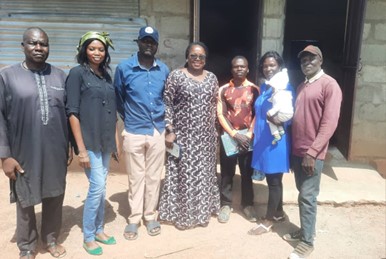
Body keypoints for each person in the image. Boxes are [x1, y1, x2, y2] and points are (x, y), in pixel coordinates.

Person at [0, 27, 68, 259]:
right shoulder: (7, 76)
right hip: (22, 149)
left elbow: (68, 115)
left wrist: (69, 147)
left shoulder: (60, 76)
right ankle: (27, 247)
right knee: (25, 198)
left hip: (55, 149)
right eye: (33, 43)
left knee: (55, 194)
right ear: (23, 46)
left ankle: (50, 239)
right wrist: (4, 155)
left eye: (44, 44)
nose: (39, 48)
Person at [284, 45, 342, 259]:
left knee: (308, 196)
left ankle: (307, 242)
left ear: (320, 60)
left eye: (311, 59)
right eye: (303, 60)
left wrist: (313, 152)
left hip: (312, 154)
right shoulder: (302, 86)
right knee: (302, 193)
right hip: (298, 151)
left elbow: (330, 123)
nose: (306, 63)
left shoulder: (329, 85)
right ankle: (306, 230)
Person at [114, 26, 169, 240]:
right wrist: (129, 119)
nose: (148, 45)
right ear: (138, 43)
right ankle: (134, 219)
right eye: (144, 41)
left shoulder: (163, 70)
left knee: (154, 176)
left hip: (157, 130)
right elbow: (118, 97)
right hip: (134, 129)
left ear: (156, 45)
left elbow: (166, 99)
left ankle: (150, 215)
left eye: (152, 42)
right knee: (136, 177)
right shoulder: (124, 68)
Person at [158, 42, 220, 229]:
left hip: (207, 137)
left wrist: (216, 132)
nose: (197, 59)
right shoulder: (176, 76)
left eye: (201, 56)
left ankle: (201, 214)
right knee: (183, 175)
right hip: (182, 136)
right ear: (187, 57)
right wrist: (169, 130)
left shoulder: (212, 78)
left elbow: (215, 106)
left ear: (205, 59)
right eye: (193, 56)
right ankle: (183, 216)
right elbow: (167, 103)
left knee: (204, 175)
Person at [66, 31, 117, 255]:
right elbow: (73, 112)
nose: (97, 52)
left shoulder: (106, 76)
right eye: (92, 48)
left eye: (101, 49)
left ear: (106, 53)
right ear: (84, 50)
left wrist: (115, 141)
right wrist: (82, 150)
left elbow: (111, 110)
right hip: (88, 141)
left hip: (105, 140)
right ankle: (88, 236)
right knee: (97, 187)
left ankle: (98, 229)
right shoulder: (77, 74)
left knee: (101, 186)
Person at [248, 51, 295, 236]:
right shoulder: (266, 87)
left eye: (272, 65)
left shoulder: (285, 87)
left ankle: (268, 221)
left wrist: (279, 120)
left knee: (274, 181)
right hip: (263, 140)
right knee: (274, 180)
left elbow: (289, 115)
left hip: (275, 142)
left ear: (279, 66)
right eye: (265, 66)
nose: (268, 69)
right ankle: (278, 213)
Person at [216, 56, 260, 223]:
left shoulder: (254, 90)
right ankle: (226, 204)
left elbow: (257, 113)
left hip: (248, 137)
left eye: (242, 67)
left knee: (246, 173)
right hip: (229, 137)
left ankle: (248, 205)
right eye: (236, 67)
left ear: (248, 69)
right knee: (227, 173)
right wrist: (234, 134)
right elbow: (221, 113)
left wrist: (248, 134)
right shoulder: (224, 89)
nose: (239, 69)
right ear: (232, 69)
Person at [265, 68, 294, 144]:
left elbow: (278, 105)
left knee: (270, 120)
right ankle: (281, 130)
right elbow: (272, 99)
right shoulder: (285, 93)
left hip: (284, 113)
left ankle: (276, 134)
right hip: (288, 113)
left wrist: (270, 112)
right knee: (276, 119)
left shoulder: (279, 95)